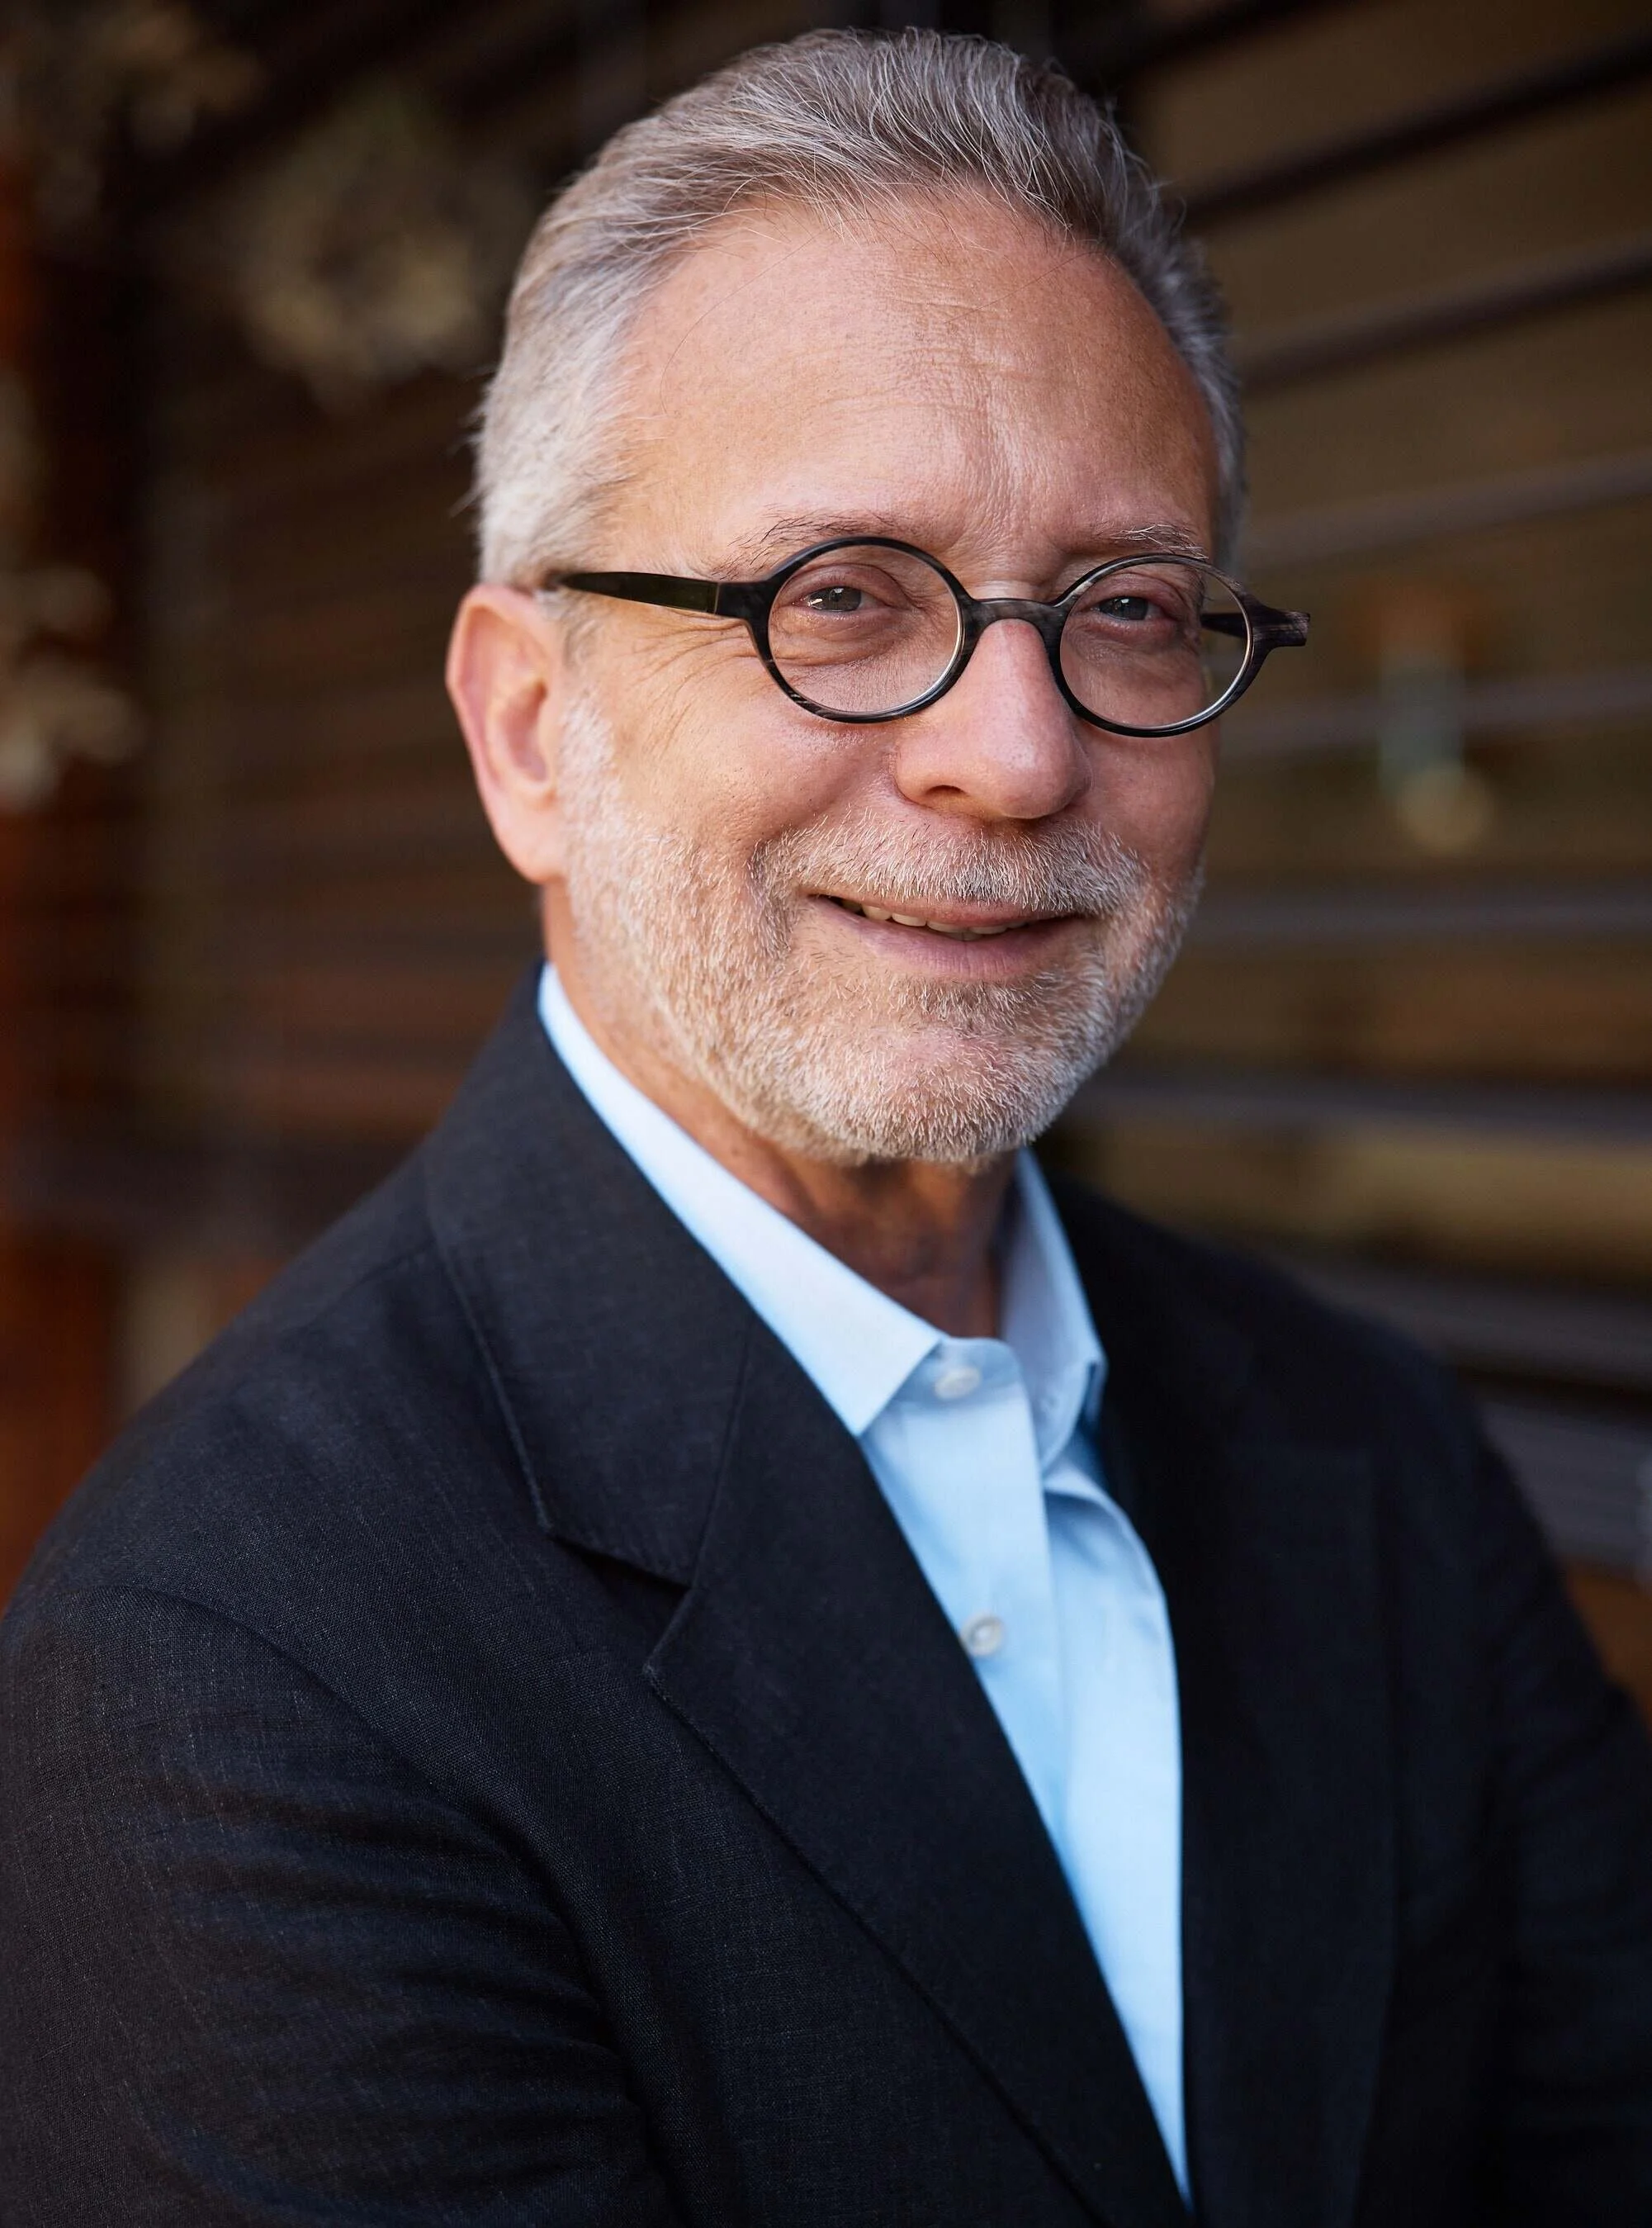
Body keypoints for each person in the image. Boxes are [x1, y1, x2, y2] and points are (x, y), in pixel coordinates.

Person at [2, 28, 1650, 2225]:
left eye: (1127, 610)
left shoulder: (1371, 1448)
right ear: (530, 733)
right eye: (841, 597)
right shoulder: (231, 1658)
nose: (1016, 752)